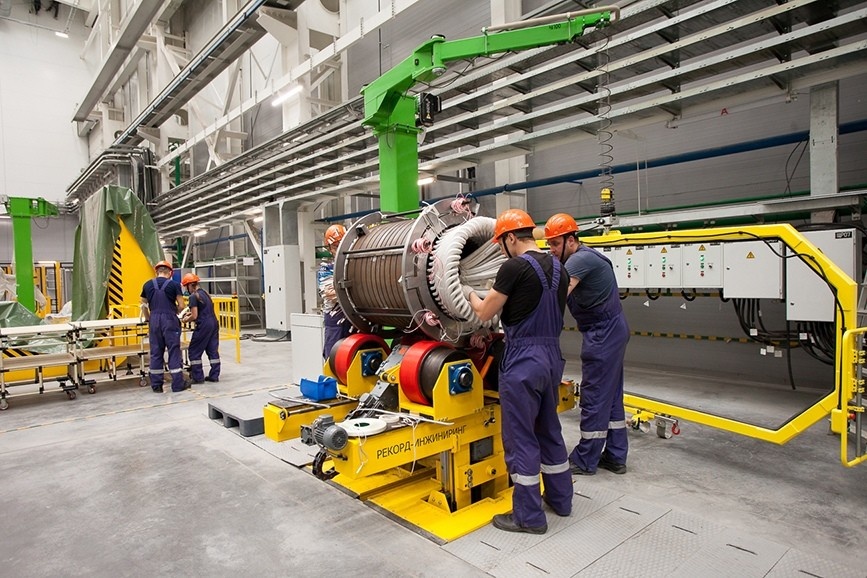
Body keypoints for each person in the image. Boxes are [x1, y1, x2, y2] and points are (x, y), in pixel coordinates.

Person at [464, 208, 572, 535]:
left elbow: (485, 312)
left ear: (511, 238)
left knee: (521, 437)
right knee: (549, 429)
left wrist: (467, 291)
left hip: (524, 359)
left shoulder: (513, 267)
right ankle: (561, 499)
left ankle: (528, 517)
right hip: (552, 357)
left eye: (500, 244)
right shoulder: (560, 268)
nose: (500, 250)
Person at [544, 213, 630, 475]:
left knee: (594, 394)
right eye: (549, 244)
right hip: (610, 330)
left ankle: (585, 459)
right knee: (611, 394)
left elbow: (557, 295)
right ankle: (615, 456)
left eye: (555, 244)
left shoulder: (579, 261)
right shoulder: (577, 258)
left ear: (571, 240)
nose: (551, 249)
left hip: (603, 333)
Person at [140, 260, 189, 393]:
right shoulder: (174, 285)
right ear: (170, 273)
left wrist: (148, 318)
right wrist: (175, 311)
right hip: (169, 320)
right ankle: (177, 385)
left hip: (154, 320)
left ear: (157, 272)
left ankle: (156, 385)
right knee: (173, 350)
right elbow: (182, 305)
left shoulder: (147, 285)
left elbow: (143, 305)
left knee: (156, 352)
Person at [180, 273, 220, 384]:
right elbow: (203, 309)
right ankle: (214, 375)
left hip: (203, 325)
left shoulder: (193, 296)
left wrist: (185, 320)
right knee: (212, 350)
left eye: (186, 287)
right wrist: (190, 314)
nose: (186, 290)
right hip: (213, 323)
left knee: (194, 351)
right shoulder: (205, 293)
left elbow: (195, 316)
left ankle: (198, 377)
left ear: (189, 285)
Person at [320, 224, 352, 360]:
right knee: (334, 360)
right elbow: (329, 293)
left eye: (341, 244)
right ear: (329, 248)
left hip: (354, 319)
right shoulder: (327, 268)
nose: (339, 249)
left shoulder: (353, 264)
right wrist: (355, 294)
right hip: (335, 321)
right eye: (335, 246)